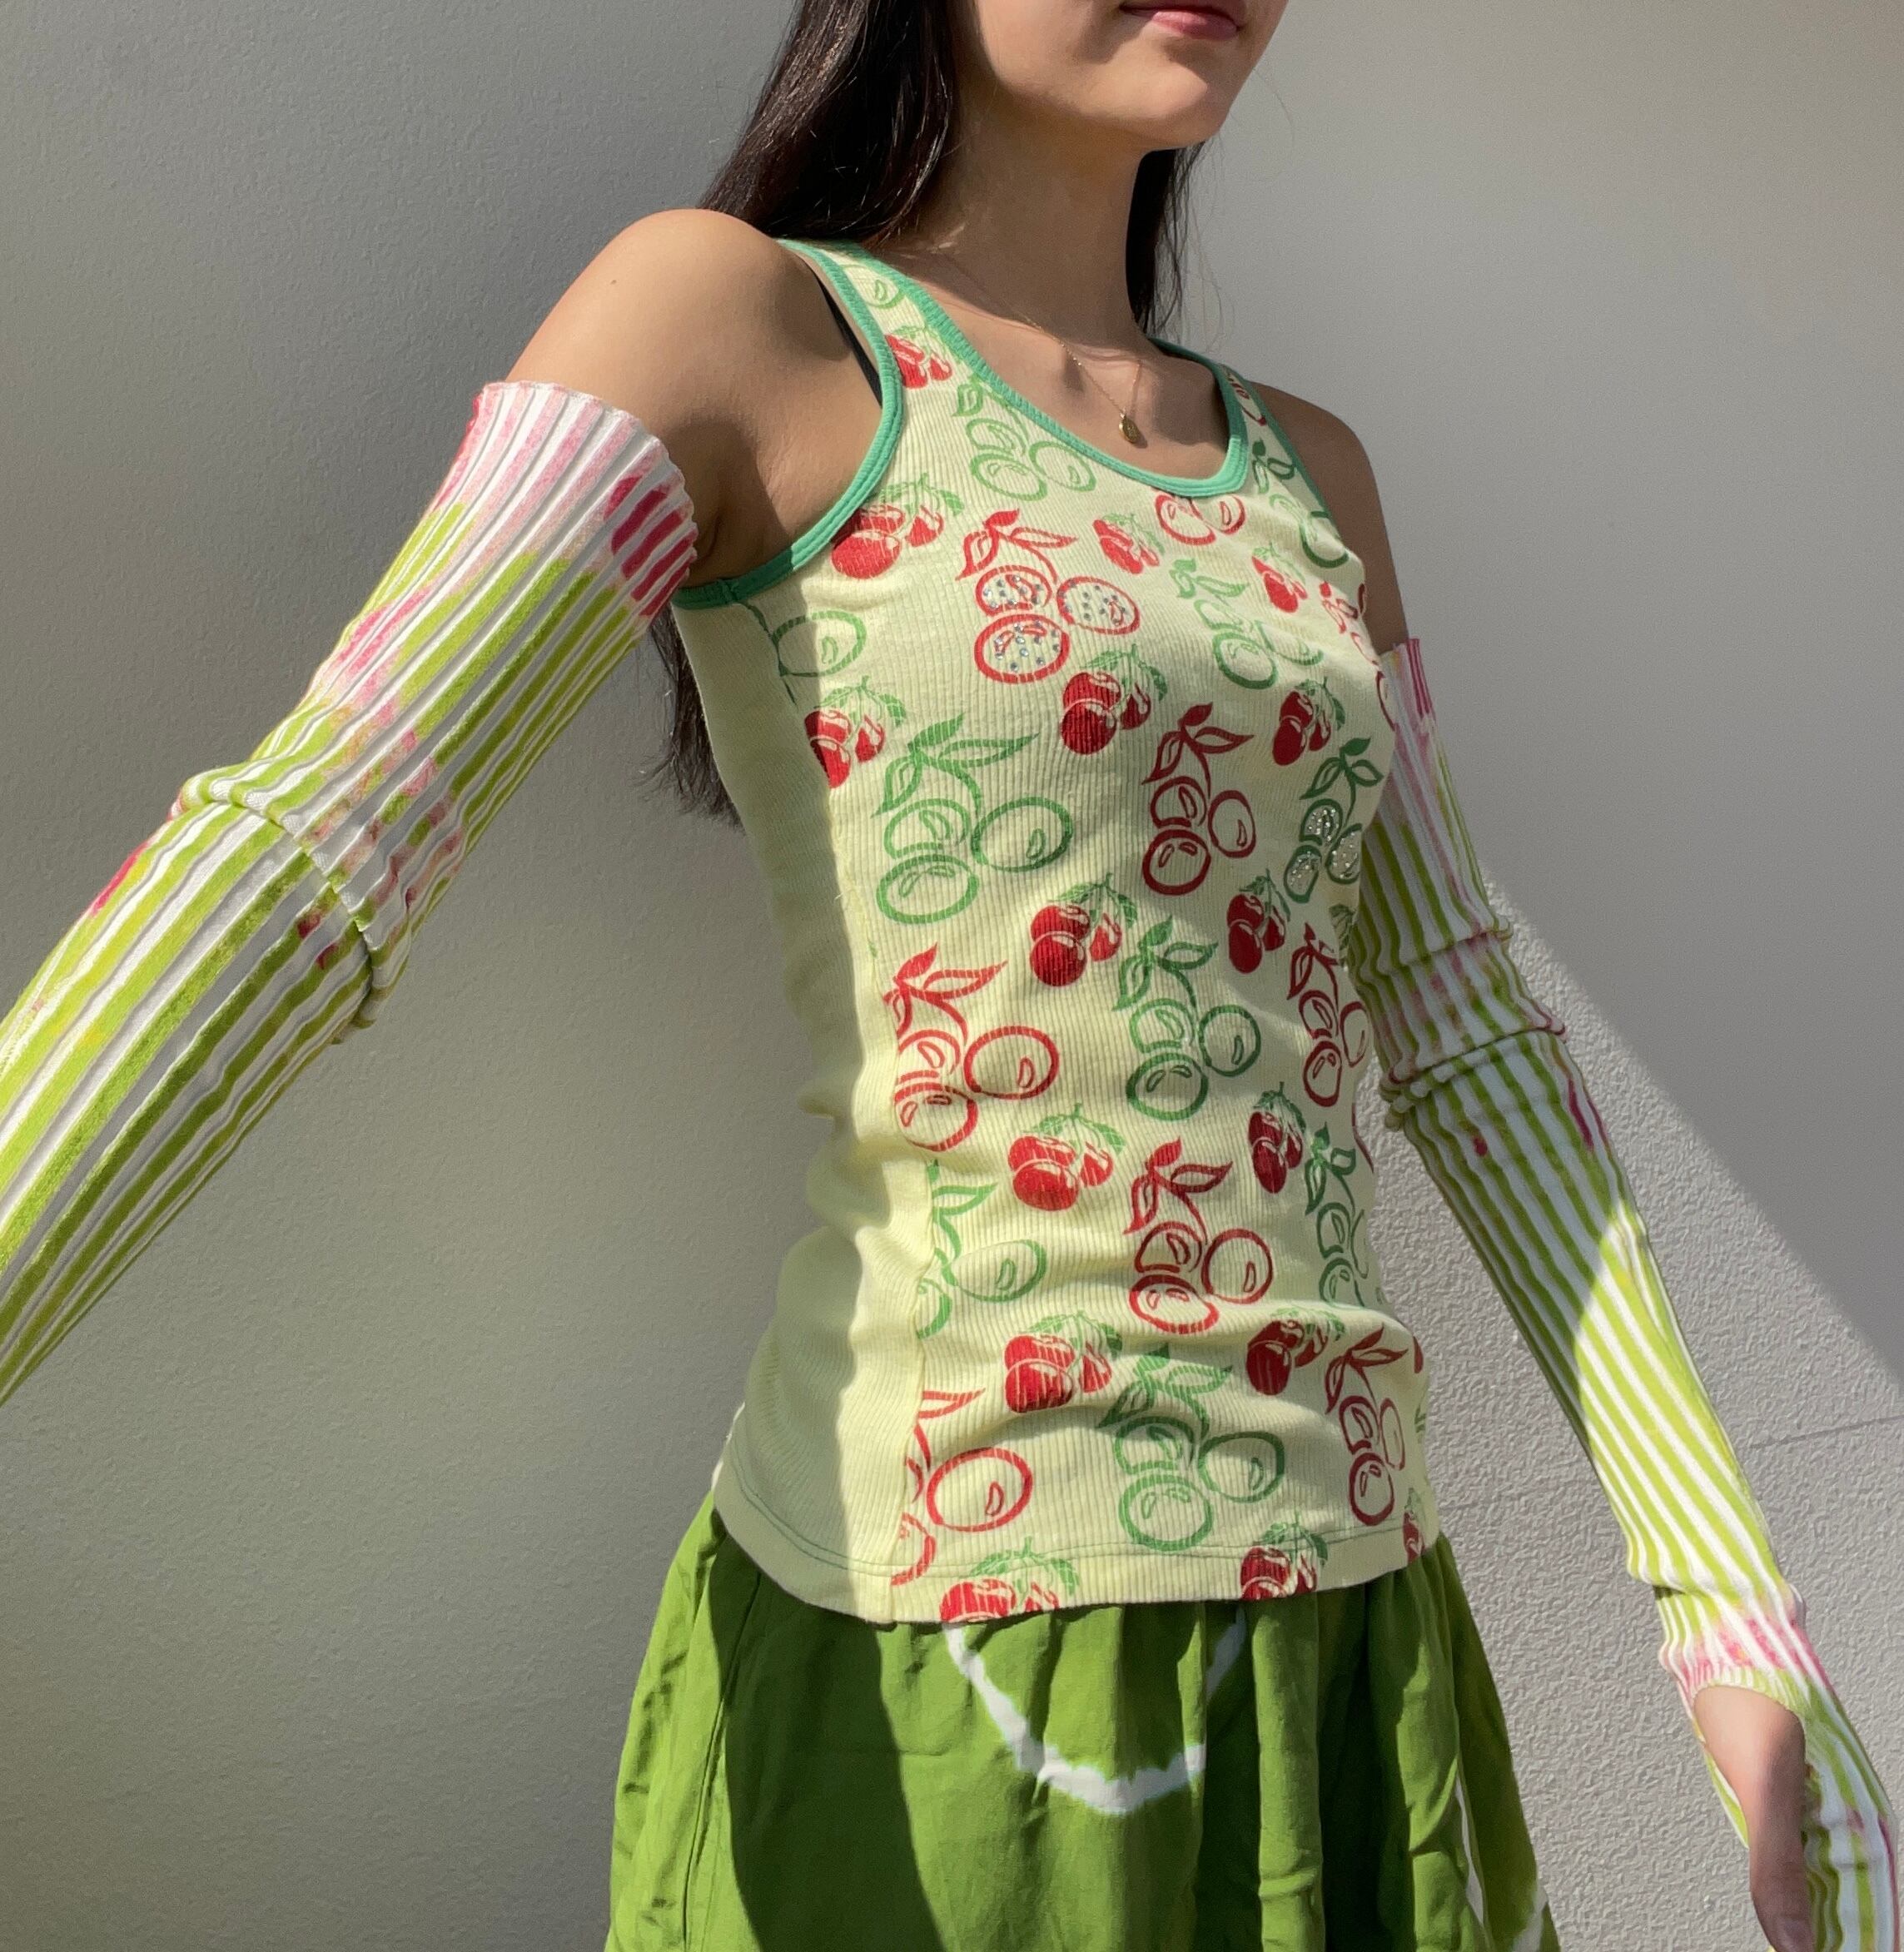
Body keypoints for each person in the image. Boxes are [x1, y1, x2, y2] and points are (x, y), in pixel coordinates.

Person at [0, 1, 1892, 1946]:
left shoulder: (1310, 479)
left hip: (1357, 1654)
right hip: (946, 1665)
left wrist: (1728, 1610)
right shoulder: (734, 328)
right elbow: (320, 843)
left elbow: (1465, 1033)